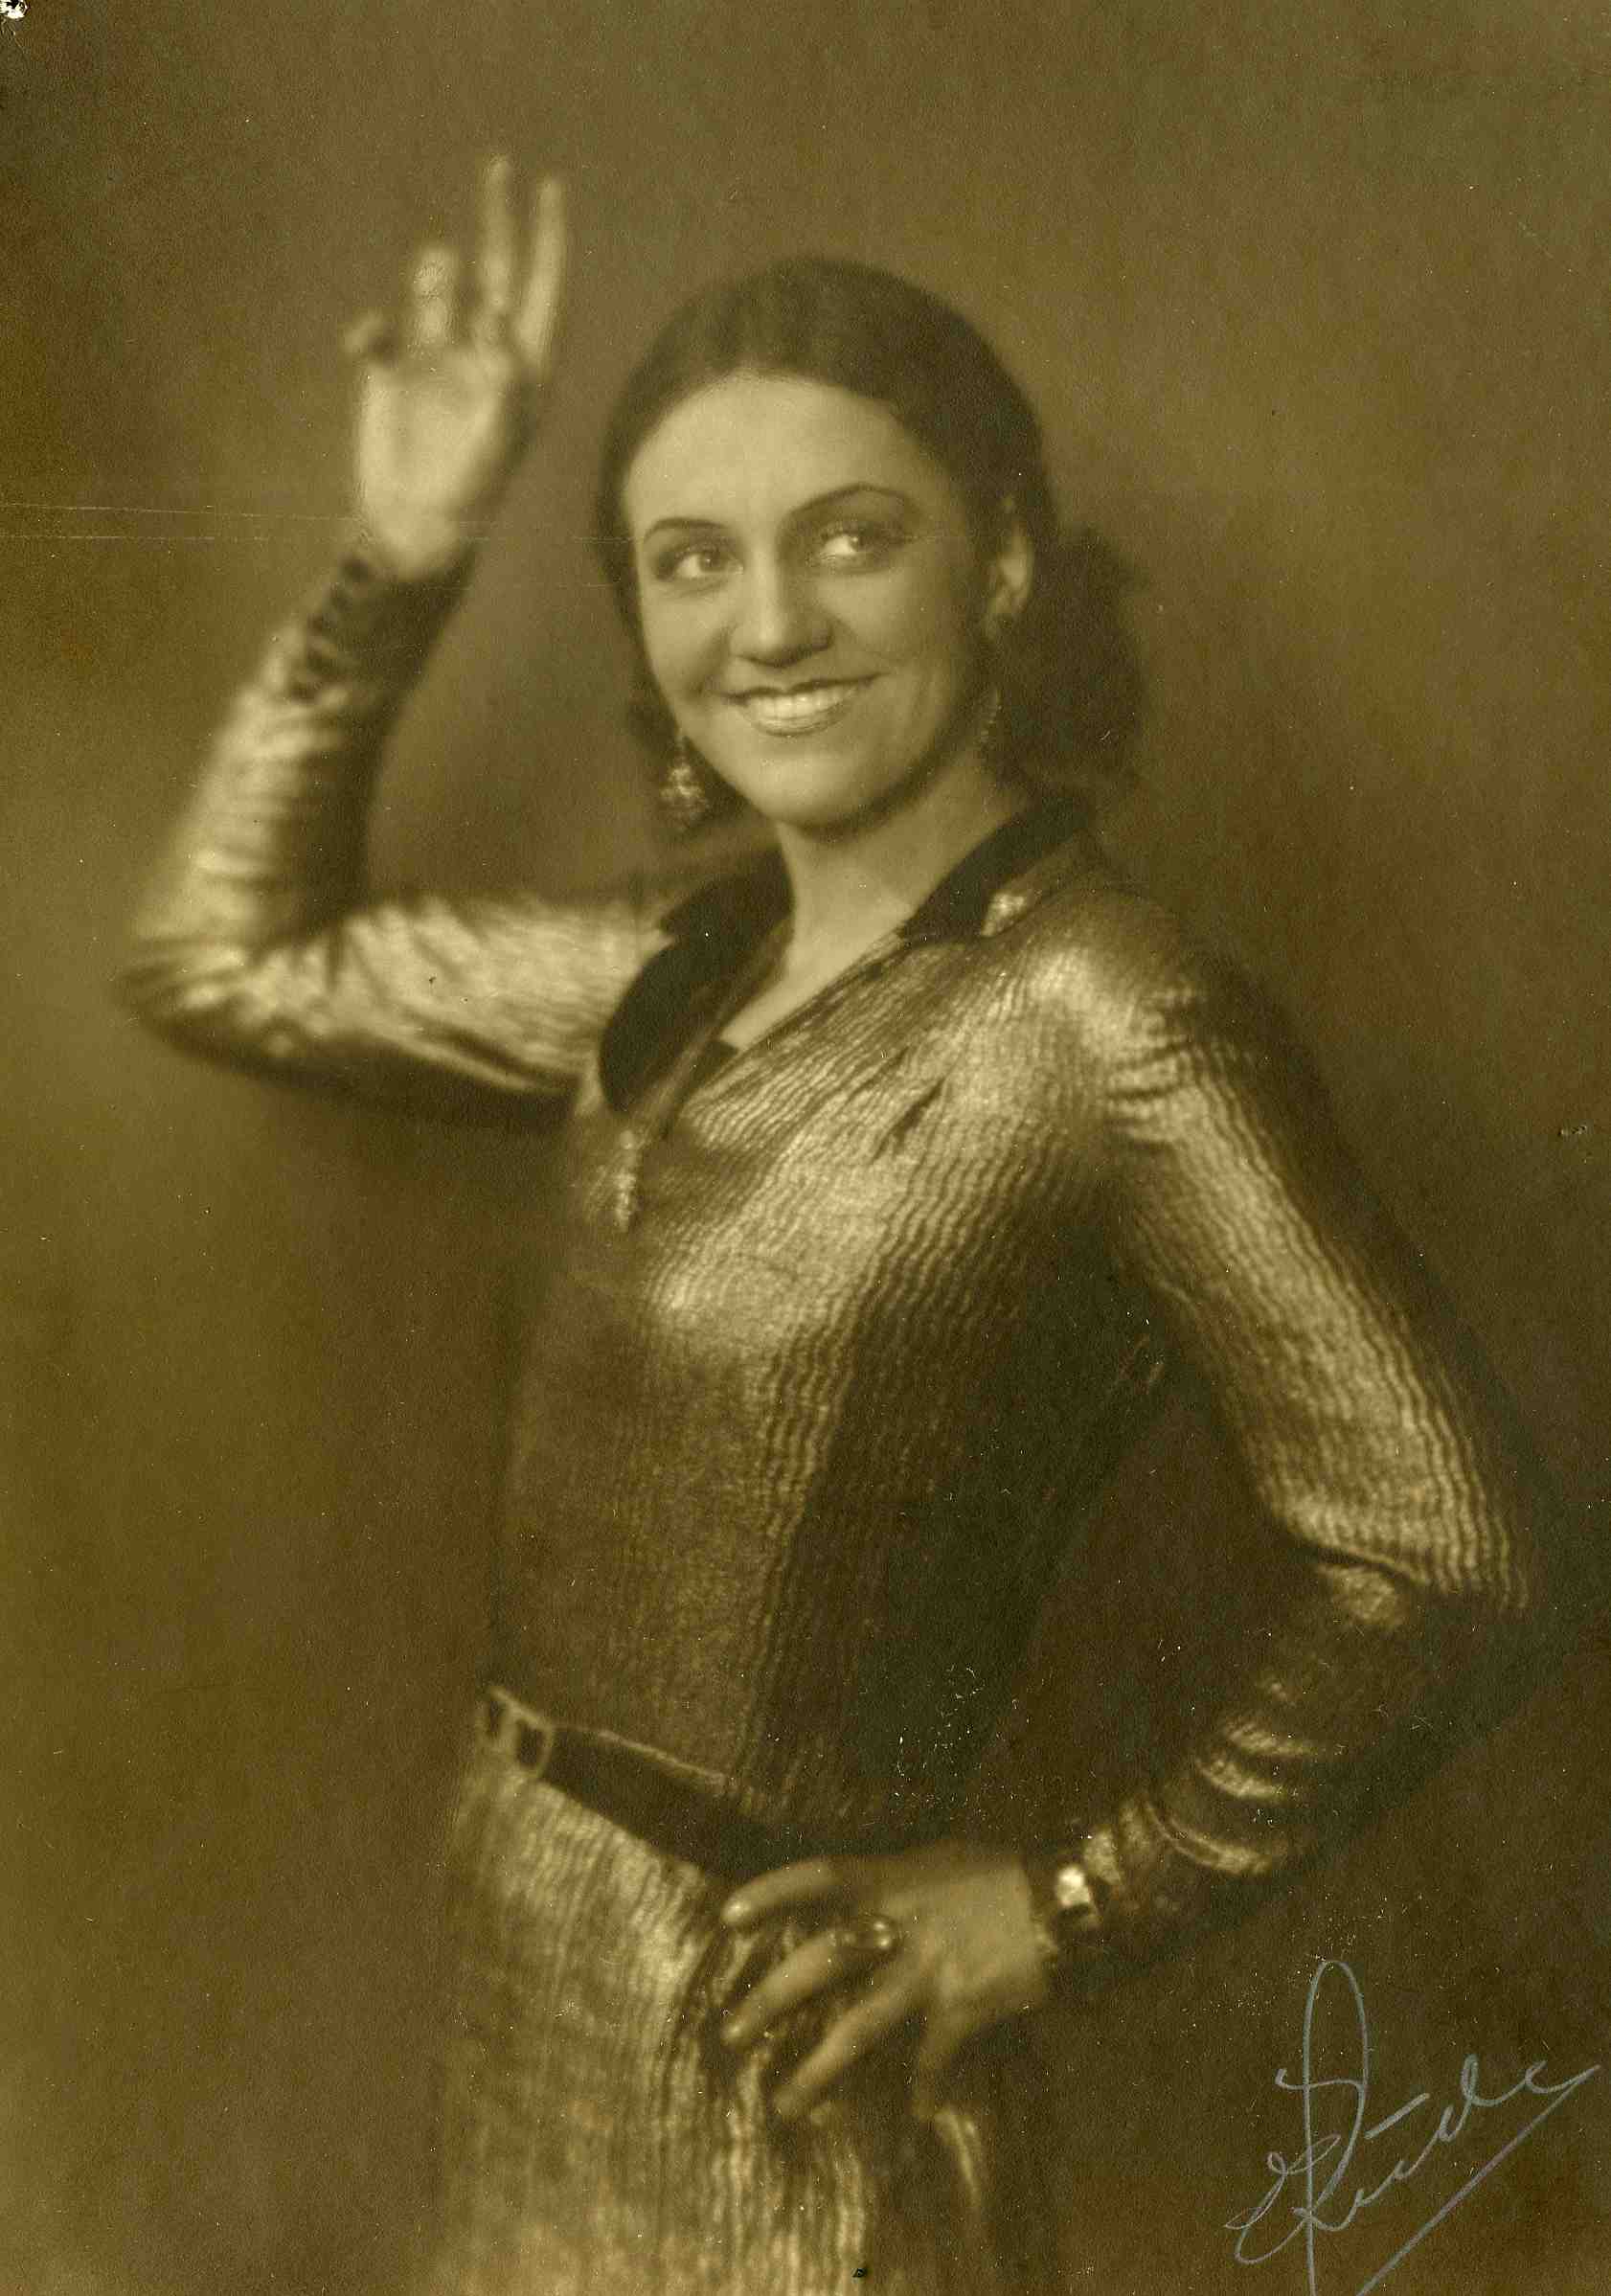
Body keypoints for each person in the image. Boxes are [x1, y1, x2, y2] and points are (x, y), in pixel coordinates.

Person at [118, 162, 1561, 2295]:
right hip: (523, 1960)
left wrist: (1065, 1906)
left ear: (1003, 561)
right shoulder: (672, 963)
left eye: (851, 536)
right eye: (690, 560)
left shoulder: (1104, 1013)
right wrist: (400, 553)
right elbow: (216, 959)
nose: (767, 624)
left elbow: (1453, 1548)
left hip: (786, 2044)